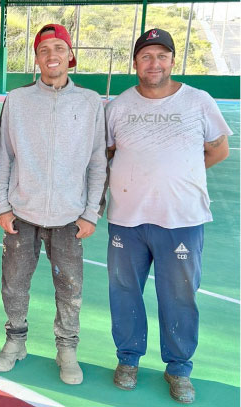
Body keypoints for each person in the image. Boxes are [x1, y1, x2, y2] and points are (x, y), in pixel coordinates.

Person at [105, 28, 231, 404]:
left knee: (179, 295)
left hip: (182, 219)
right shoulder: (118, 107)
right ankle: (128, 359)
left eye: (162, 56)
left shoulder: (198, 101)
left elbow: (219, 149)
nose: (154, 63)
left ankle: (178, 368)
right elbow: (107, 153)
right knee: (123, 292)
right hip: (127, 219)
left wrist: (179, 176)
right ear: (135, 63)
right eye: (146, 56)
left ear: (173, 60)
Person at [0, 24, 107, 385]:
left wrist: (91, 212)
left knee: (70, 289)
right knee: (14, 284)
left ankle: (67, 350)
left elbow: (98, 161)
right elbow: (4, 156)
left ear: (70, 55)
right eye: (44, 50)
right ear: (37, 59)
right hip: (22, 214)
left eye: (59, 48)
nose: (52, 55)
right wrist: (2, 205)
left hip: (70, 217)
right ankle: (15, 341)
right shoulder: (18, 100)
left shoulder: (90, 102)